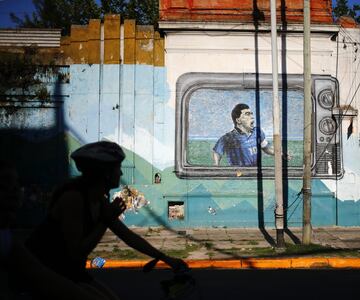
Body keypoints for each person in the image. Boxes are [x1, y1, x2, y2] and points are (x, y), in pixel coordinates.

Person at [25, 141, 188, 299]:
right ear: (105, 173)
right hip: (46, 272)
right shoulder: (74, 199)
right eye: (117, 168)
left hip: (69, 271)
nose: (121, 173)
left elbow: (127, 236)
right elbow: (75, 253)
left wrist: (166, 258)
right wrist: (106, 220)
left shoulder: (98, 200)